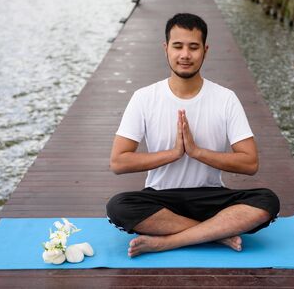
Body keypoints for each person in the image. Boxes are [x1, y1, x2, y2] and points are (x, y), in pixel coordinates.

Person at [106, 13, 279, 258]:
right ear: (166, 49)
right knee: (118, 207)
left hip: (212, 197)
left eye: (193, 47)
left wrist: (197, 153)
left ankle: (167, 242)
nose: (185, 55)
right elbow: (118, 162)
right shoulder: (144, 98)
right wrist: (174, 154)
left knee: (267, 200)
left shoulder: (225, 98)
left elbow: (250, 163)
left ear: (205, 50)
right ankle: (218, 234)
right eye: (178, 46)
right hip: (161, 199)